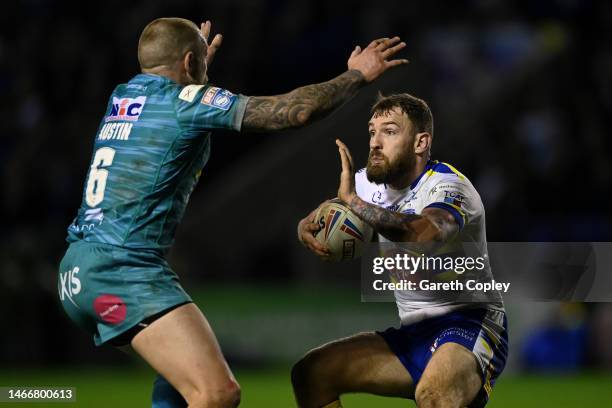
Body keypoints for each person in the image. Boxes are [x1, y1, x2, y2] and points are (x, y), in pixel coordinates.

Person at [57, 17, 407, 408]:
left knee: (178, 386)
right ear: (190, 62)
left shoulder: (123, 96)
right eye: (197, 64)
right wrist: (355, 75)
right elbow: (296, 111)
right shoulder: (185, 102)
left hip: (79, 270)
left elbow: (175, 109)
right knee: (217, 393)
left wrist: (194, 74)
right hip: (123, 272)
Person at [293, 93, 509, 408]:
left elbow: (423, 234)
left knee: (435, 397)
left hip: (469, 323)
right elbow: (326, 217)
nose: (375, 142)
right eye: (372, 131)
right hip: (414, 334)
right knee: (311, 374)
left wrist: (354, 202)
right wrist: (306, 229)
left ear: (420, 143)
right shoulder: (368, 186)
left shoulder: (448, 187)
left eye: (389, 131)